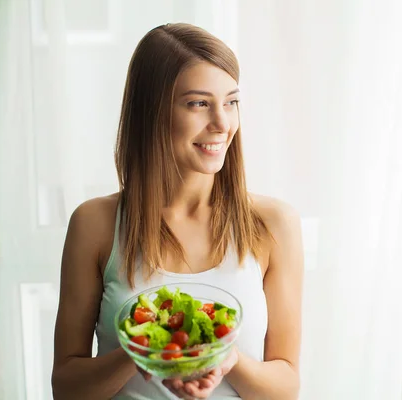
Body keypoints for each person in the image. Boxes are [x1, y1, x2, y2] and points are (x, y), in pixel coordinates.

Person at [51, 22, 304, 400]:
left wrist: (226, 357)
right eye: (199, 103)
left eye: (231, 102)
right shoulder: (94, 225)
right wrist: (145, 353)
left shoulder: (273, 225)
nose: (222, 123)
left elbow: (285, 387)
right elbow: (67, 388)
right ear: (151, 112)